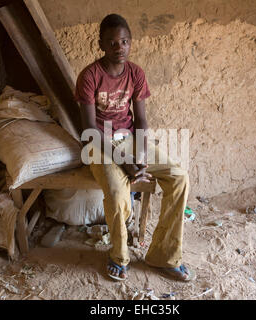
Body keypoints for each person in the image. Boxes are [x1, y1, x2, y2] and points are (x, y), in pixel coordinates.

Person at [75, 13, 195, 282]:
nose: (120, 48)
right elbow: (88, 129)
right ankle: (119, 255)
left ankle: (163, 255)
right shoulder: (90, 76)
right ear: (101, 45)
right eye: (113, 43)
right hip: (100, 144)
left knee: (179, 177)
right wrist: (124, 161)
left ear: (131, 43)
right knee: (118, 192)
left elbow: (141, 120)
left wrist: (139, 157)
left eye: (125, 41)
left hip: (130, 140)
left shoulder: (136, 73)